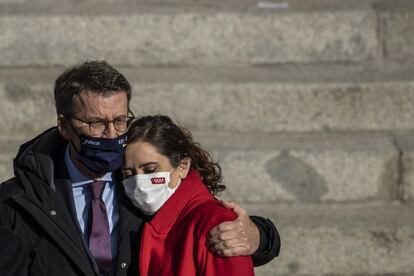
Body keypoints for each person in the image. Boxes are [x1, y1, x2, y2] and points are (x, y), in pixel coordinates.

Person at [0, 61, 280, 276]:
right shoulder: (16, 204)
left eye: (121, 120)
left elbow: (196, 216)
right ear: (64, 126)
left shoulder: (145, 183)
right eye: (96, 123)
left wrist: (260, 235)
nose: (111, 134)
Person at [122, 115, 255, 275]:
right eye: (129, 174)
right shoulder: (136, 217)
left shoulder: (216, 224)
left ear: (183, 166)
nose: (139, 182)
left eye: (150, 170)